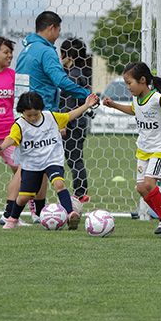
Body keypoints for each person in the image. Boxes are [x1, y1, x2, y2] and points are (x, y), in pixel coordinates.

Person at [102, 62, 161, 237]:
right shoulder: (138, 100)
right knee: (140, 188)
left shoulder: (158, 98)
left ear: (143, 80)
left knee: (149, 184)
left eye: (129, 83)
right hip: (144, 148)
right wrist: (114, 105)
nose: (128, 87)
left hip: (160, 148)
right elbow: (133, 110)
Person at [15, 11, 92, 220]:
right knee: (31, 167)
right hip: (41, 117)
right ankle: (10, 213)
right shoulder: (46, 51)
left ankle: (37, 213)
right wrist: (87, 96)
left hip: (26, 114)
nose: (58, 35)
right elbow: (60, 81)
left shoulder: (26, 49)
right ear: (52, 28)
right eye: (58, 30)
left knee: (34, 165)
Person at [0, 91, 99, 229]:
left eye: (36, 114)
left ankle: (70, 214)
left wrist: (86, 105)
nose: (32, 118)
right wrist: (2, 147)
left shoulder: (51, 117)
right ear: (21, 112)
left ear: (41, 110)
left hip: (52, 160)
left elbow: (70, 115)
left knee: (59, 184)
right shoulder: (20, 125)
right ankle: (12, 218)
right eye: (28, 115)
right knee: (24, 197)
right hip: (31, 164)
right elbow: (12, 138)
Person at [0, 37, 30, 226]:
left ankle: (11, 215)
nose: (10, 55)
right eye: (5, 52)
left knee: (23, 171)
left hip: (9, 135)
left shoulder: (14, 76)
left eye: (11, 52)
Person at [59, 38, 92, 203]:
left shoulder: (73, 75)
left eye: (62, 53)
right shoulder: (81, 72)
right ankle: (80, 192)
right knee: (75, 157)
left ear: (69, 55)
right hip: (80, 122)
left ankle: (80, 193)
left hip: (72, 124)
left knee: (74, 159)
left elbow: (69, 103)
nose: (60, 56)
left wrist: (63, 123)